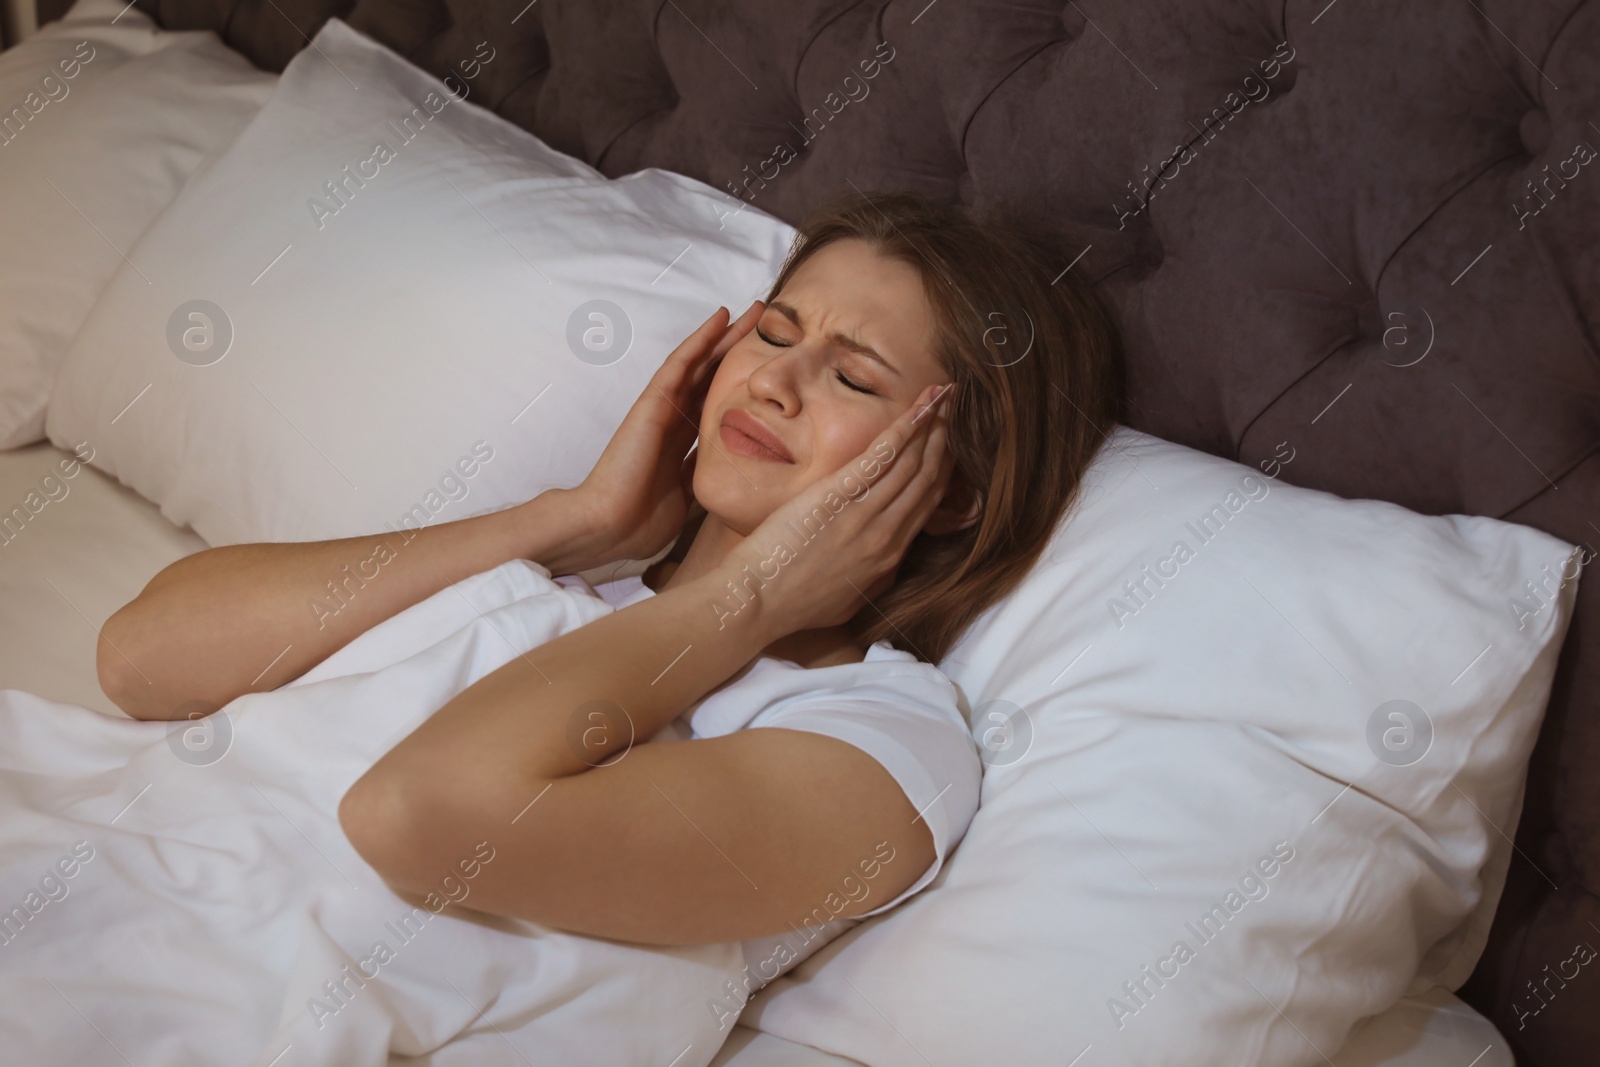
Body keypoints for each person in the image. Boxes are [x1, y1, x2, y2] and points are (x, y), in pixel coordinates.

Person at [97, 190, 1125, 954]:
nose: (775, 379)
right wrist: (574, 522)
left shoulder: (885, 738)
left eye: (854, 374)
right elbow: (140, 656)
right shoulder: (564, 583)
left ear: (950, 492)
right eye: (774, 329)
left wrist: (752, 597)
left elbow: (414, 813)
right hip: (103, 877)